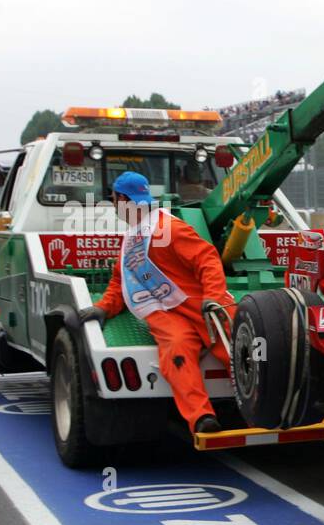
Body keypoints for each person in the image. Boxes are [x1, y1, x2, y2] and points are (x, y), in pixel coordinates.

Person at [76, 171, 235, 434]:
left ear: (121, 199)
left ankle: (265, 405)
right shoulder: (133, 237)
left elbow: (207, 259)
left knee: (237, 349)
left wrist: (214, 298)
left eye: (114, 199)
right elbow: (122, 280)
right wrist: (104, 307)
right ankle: (202, 418)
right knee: (177, 350)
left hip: (200, 305)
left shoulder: (168, 228)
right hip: (165, 312)